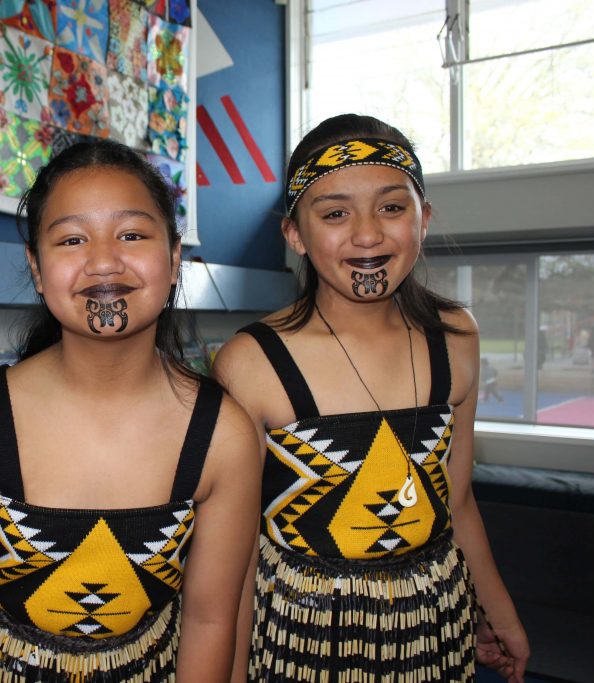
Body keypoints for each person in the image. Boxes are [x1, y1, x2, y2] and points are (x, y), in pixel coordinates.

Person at [213, 114, 529, 681]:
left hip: (436, 627)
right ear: (295, 234)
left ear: (423, 218)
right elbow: (231, 557)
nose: (367, 234)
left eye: (391, 207)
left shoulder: (456, 337)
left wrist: (498, 612)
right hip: (301, 639)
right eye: (335, 213)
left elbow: (457, 502)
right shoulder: (252, 362)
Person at [0, 139, 262, 682]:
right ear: (36, 268)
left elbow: (210, 619)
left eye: (132, 235)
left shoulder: (222, 435)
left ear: (174, 258)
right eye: (72, 239)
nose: (104, 261)